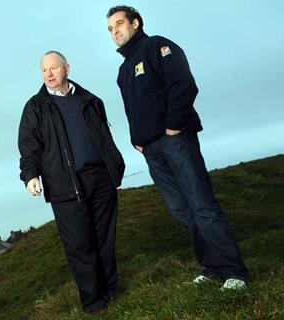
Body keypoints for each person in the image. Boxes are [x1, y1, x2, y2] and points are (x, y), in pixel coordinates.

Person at [106, 5, 250, 289]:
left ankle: (236, 272)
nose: (115, 31)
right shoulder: (123, 70)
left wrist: (172, 126)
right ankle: (213, 268)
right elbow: (131, 108)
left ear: (135, 23)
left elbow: (183, 83)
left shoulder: (157, 45)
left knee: (202, 205)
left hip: (175, 140)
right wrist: (138, 140)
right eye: (110, 29)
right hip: (151, 151)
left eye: (119, 23)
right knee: (182, 210)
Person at [18, 51, 125, 313]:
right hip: (64, 185)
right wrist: (30, 175)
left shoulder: (90, 100)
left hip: (100, 179)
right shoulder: (35, 107)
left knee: (104, 240)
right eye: (44, 70)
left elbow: (104, 136)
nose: (49, 74)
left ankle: (112, 289)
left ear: (66, 68)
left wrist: (114, 165)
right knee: (80, 246)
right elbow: (29, 146)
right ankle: (94, 302)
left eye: (54, 68)